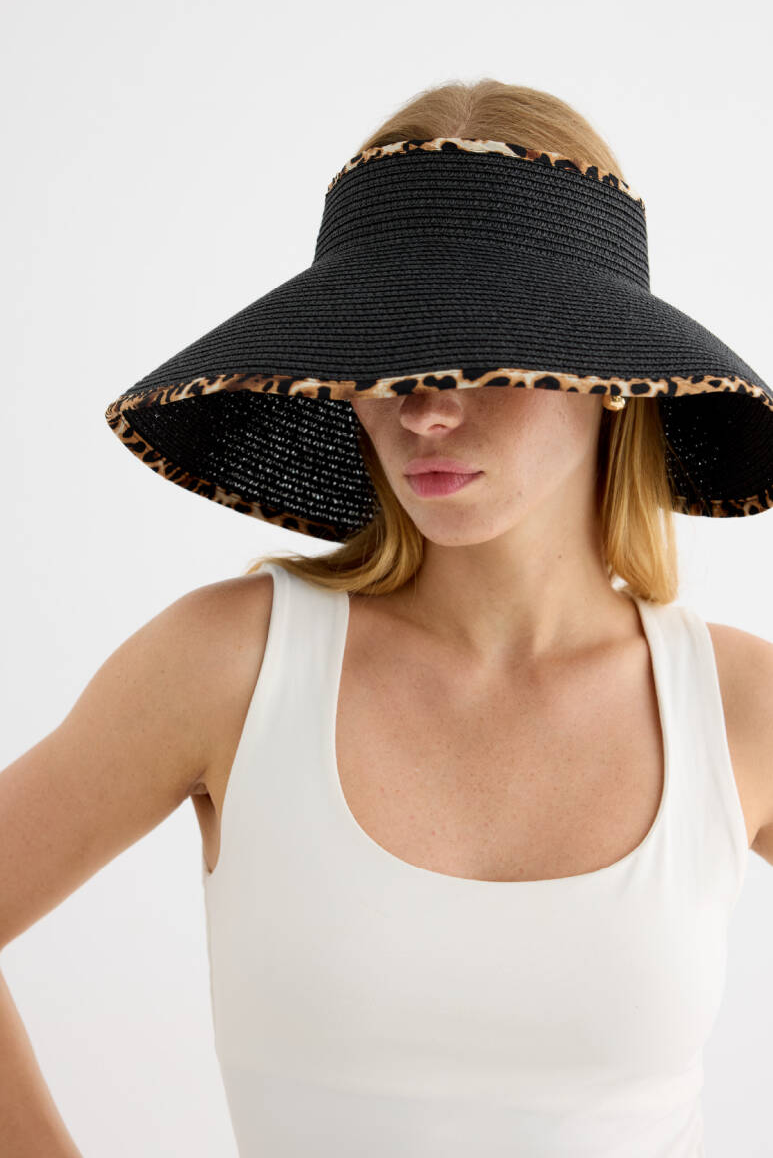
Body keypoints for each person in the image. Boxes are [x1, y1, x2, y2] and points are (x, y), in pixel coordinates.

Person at [3, 78, 773, 1157]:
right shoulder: (233, 665)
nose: (424, 408)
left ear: (607, 375)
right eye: (383, 358)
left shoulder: (734, 706)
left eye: (482, 355)